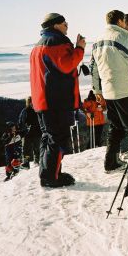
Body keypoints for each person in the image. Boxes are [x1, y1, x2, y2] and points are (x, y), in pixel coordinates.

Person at [30, 12, 85, 187]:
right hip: (56, 101)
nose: (67, 25)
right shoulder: (55, 42)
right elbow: (67, 64)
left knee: (48, 137)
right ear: (55, 25)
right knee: (58, 138)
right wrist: (80, 48)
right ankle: (51, 178)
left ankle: (48, 173)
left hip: (42, 100)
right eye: (64, 23)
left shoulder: (39, 44)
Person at [90, 10, 128, 172]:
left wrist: (97, 90)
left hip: (108, 91)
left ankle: (110, 162)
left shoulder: (96, 41)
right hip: (124, 89)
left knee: (116, 127)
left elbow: (93, 68)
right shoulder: (123, 37)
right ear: (119, 21)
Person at [18, 96, 41, 167]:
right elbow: (21, 122)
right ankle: (26, 163)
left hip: (37, 132)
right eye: (30, 102)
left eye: (33, 101)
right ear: (28, 102)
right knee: (26, 149)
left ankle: (37, 161)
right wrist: (23, 131)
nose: (32, 103)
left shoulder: (38, 110)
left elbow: (42, 121)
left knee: (37, 148)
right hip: (27, 134)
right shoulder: (25, 111)